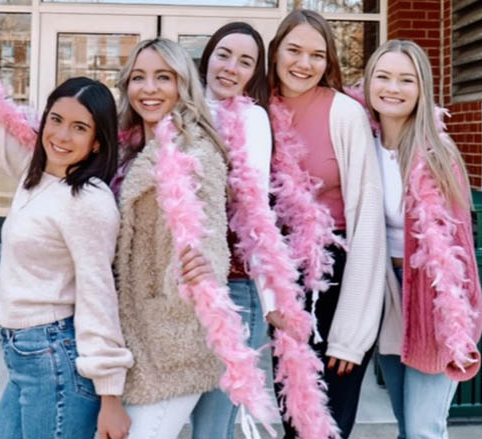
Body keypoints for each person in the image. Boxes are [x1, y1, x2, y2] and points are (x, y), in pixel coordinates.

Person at [0, 24, 133, 439]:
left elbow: (97, 293)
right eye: (56, 119)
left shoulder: (87, 200)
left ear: (98, 143)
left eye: (79, 127)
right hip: (24, 354)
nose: (61, 135)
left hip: (55, 357)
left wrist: (111, 396)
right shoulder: (35, 175)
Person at [266, 9, 386, 438]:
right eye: (294, 50)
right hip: (280, 274)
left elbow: (367, 221)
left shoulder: (344, 114)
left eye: (317, 54)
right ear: (275, 51)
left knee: (330, 421)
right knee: (295, 417)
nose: (304, 63)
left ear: (329, 61)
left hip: (338, 275)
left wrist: (352, 332)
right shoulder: (256, 110)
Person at [112, 37, 235, 439]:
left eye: (162, 78)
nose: (149, 89)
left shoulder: (196, 150)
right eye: (139, 78)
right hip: (124, 335)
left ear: (182, 85)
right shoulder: (122, 148)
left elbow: (211, 230)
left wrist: (201, 268)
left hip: (172, 338)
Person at [364, 39, 482, 439]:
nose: (392, 88)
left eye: (405, 79)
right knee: (405, 421)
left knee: (422, 429)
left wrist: (461, 321)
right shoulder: (362, 142)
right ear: (368, 83)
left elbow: (460, 249)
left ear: (422, 88)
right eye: (383, 77)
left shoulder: (437, 152)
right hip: (386, 295)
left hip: (432, 299)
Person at [186, 22, 274, 439]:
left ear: (254, 73)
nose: (230, 67)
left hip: (235, 287)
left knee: (211, 426)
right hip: (175, 283)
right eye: (224, 54)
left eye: (245, 61)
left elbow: (256, 211)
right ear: (207, 57)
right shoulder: (177, 107)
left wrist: (273, 298)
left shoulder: (254, 119)